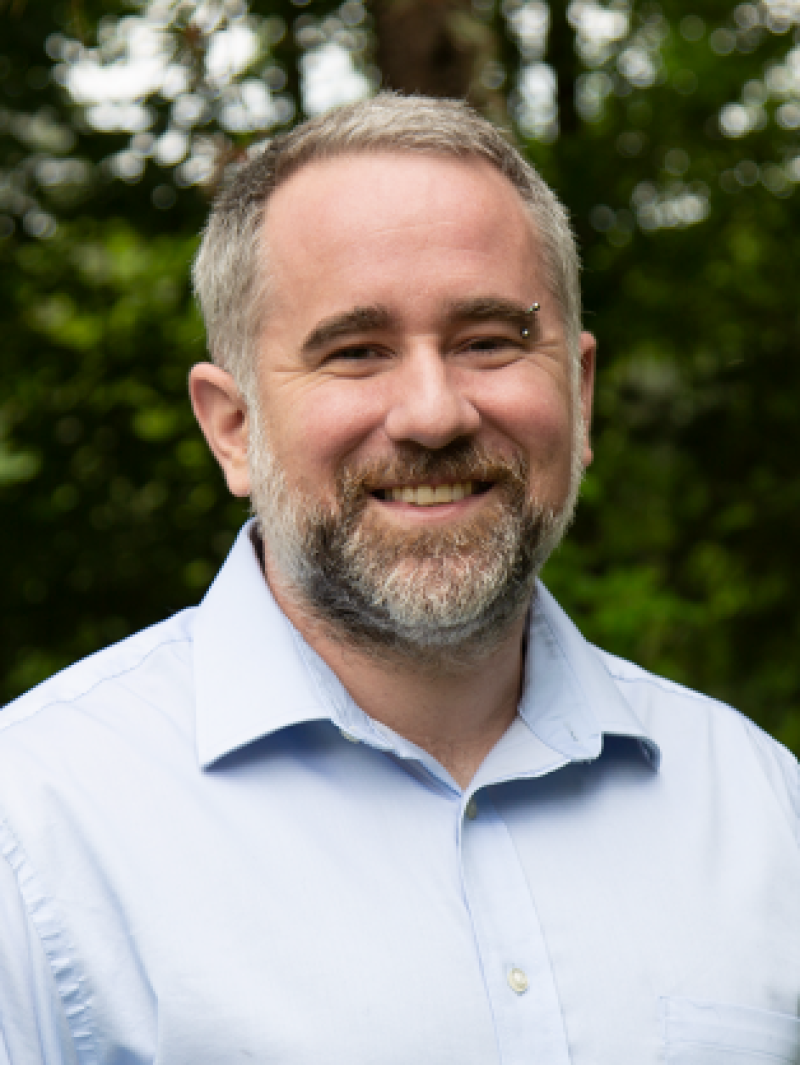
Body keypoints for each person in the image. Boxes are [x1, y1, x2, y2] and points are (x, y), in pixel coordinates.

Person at [0, 94, 797, 1065]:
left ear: (578, 395)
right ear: (232, 427)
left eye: (488, 342)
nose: (431, 413)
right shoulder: (36, 832)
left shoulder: (758, 808)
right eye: (355, 352)